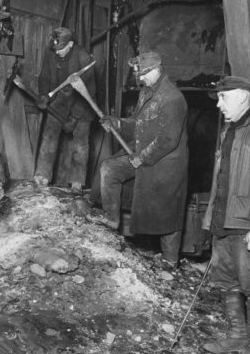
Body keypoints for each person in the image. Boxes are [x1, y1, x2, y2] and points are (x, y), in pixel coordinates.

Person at [99, 51, 188, 270]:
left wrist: (142, 158)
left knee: (168, 212)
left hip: (167, 164)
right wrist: (118, 124)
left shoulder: (173, 98)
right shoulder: (147, 92)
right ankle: (111, 221)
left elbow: (168, 140)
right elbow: (139, 123)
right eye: (140, 74)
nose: (141, 78)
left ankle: (170, 261)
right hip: (143, 155)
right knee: (109, 169)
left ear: (158, 69)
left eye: (145, 73)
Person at [201, 76, 250, 354]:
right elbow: (220, 181)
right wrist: (210, 218)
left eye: (223, 98)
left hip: (246, 224)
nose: (219, 105)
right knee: (226, 281)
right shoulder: (228, 131)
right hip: (223, 221)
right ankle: (238, 336)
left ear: (243, 97)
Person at [33, 27, 95, 193]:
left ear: (71, 44)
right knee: (49, 137)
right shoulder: (51, 52)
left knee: (80, 144)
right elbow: (44, 76)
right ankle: (41, 177)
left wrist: (74, 118)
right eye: (55, 49)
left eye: (61, 49)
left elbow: (90, 91)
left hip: (82, 104)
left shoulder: (84, 57)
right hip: (59, 101)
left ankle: (77, 182)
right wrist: (43, 95)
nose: (57, 52)